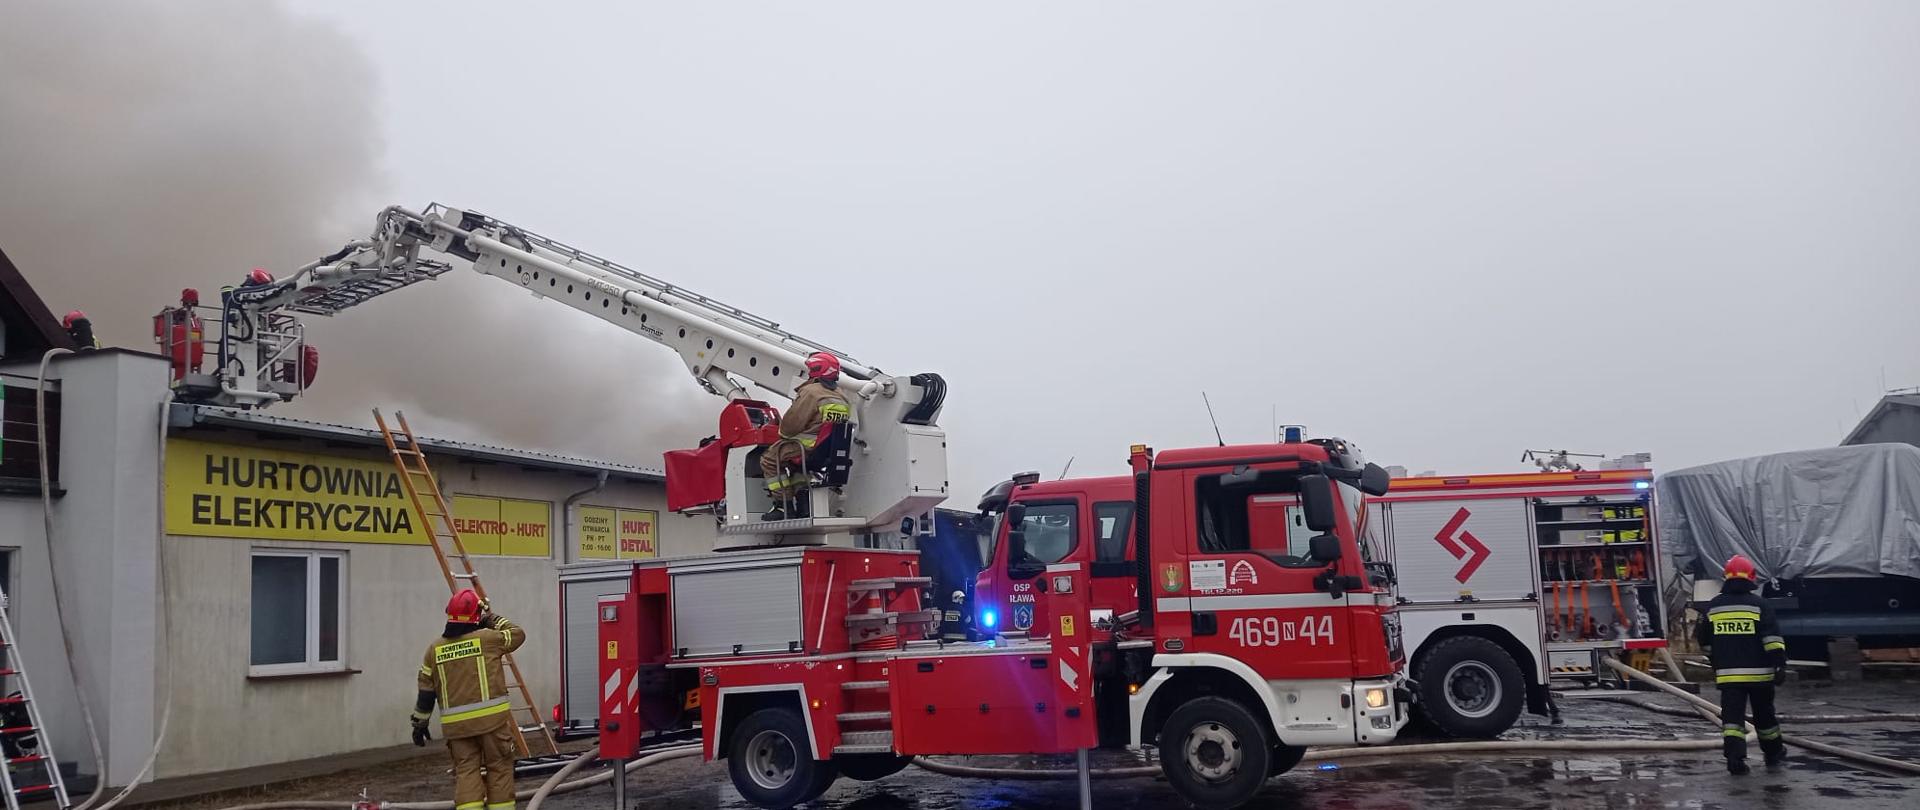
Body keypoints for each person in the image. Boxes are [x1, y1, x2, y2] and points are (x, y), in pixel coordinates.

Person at [411, 590, 526, 810]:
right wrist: (492, 618)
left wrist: (419, 723)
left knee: (466, 771)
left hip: (457, 729)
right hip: (492, 724)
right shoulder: (488, 639)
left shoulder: (434, 650)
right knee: (499, 768)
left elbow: (426, 691)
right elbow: (517, 634)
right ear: (476, 615)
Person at [1695, 554, 1787, 774]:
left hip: (1729, 677)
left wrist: (1716, 661)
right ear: (1751, 577)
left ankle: (1735, 760)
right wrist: (1780, 665)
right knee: (1765, 718)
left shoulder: (1713, 607)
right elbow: (1772, 640)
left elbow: (1704, 641)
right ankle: (1773, 753)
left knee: (1732, 722)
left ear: (1725, 577)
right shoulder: (1760, 605)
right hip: (1760, 677)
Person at [759, 351, 851, 520]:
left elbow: (788, 428)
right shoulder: (842, 397)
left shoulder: (811, 392)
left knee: (770, 459)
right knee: (798, 467)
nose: (809, 373)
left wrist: (782, 430)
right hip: (823, 453)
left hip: (805, 448)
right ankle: (804, 506)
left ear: (816, 369)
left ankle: (782, 507)